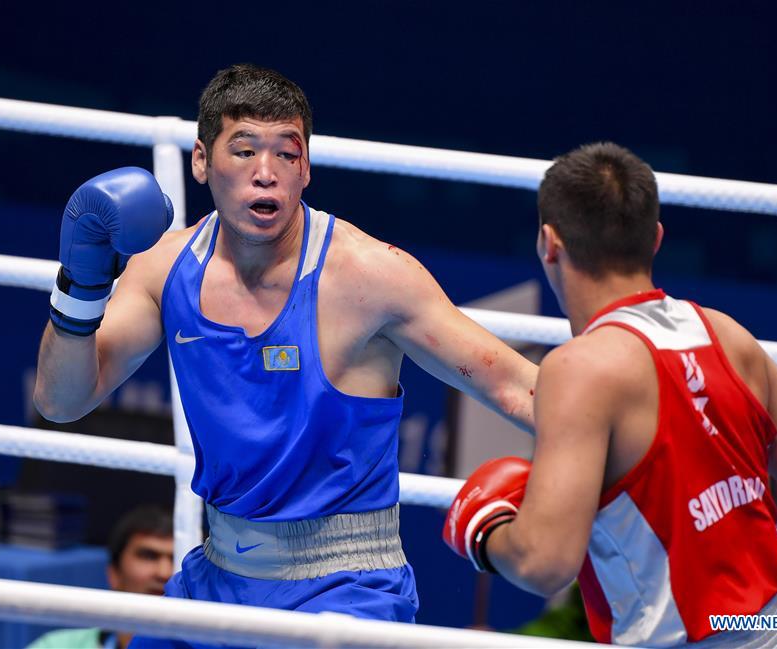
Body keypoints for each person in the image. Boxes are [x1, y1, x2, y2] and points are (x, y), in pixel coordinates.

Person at [33, 63, 538, 642]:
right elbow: (61, 401)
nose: (265, 174)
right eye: (244, 151)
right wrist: (81, 284)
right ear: (201, 161)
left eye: (286, 154)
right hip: (217, 578)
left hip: (345, 590)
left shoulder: (369, 276)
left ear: (307, 169)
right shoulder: (164, 268)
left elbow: (516, 386)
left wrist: (636, 440)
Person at [443, 142, 777, 647]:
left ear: (549, 243)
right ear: (655, 238)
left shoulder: (579, 368)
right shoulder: (725, 334)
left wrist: (485, 533)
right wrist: (704, 528)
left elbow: (542, 562)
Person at [28, 505, 174, 649]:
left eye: (176, 559)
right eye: (148, 556)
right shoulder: (56, 646)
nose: (164, 573)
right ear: (114, 574)